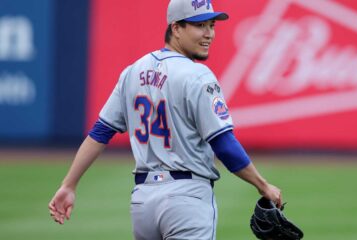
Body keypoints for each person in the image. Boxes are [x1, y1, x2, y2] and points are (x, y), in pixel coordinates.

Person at [48, 0, 282, 239]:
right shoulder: (198, 75)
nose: (209, 34)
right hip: (187, 199)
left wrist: (69, 184)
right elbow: (223, 143)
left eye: (211, 25)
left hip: (142, 203)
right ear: (176, 28)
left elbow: (100, 133)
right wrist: (263, 185)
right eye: (199, 25)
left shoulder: (132, 72)